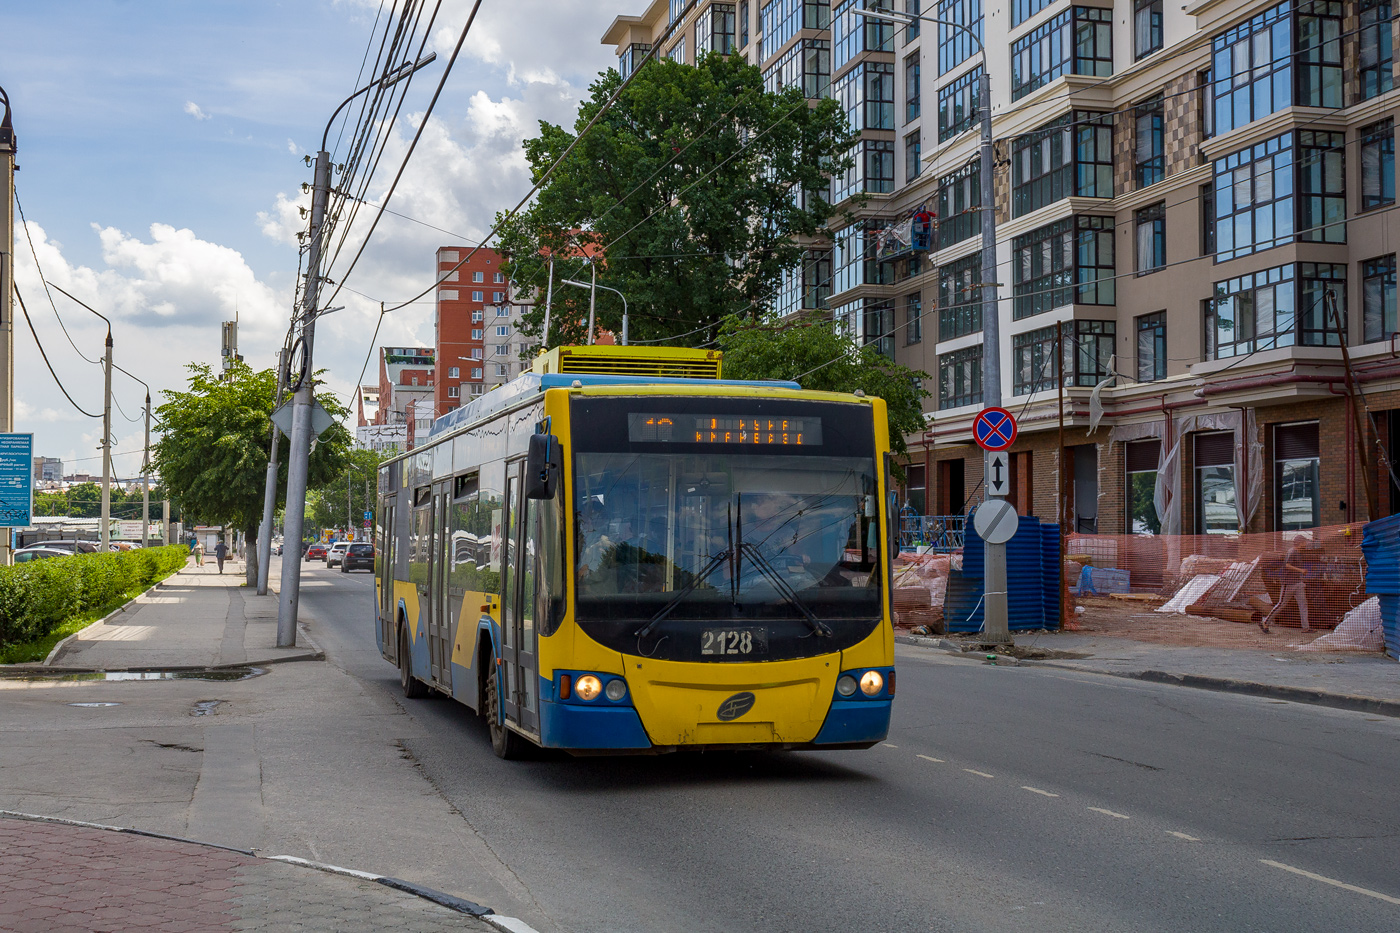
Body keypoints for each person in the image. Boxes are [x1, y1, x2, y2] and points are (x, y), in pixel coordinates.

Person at [1261, 539, 1310, 633]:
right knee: (1281, 604)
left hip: (1298, 582)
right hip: (1289, 583)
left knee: (1303, 604)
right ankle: (1266, 622)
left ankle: (1306, 627)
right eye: (1304, 542)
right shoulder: (1291, 552)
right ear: (1300, 543)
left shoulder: (1298, 553)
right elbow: (1287, 565)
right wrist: (1301, 570)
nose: (1306, 544)